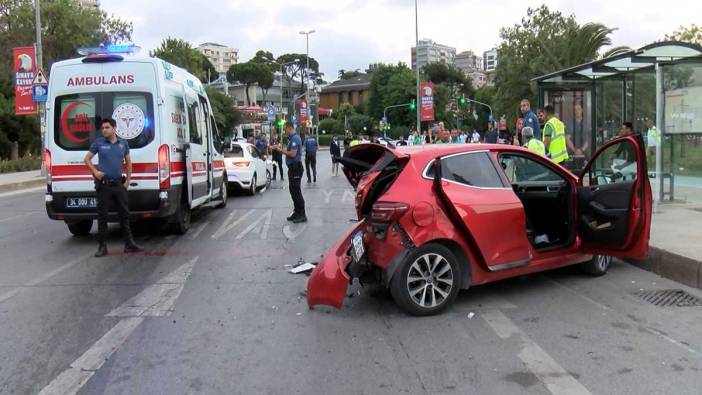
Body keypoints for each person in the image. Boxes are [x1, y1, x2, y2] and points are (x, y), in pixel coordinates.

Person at [84, 118, 143, 257]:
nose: (104, 130)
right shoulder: (99, 143)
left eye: (107, 127)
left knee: (124, 215)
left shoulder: (123, 144)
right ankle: (102, 247)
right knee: (102, 216)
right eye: (103, 128)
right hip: (104, 186)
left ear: (114, 129)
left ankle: (129, 244)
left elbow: (128, 163)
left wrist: (127, 181)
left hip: (118, 185)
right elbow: (87, 159)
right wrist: (95, 172)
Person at [272, 121, 306, 223]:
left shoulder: (295, 138)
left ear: (289, 127)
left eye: (285, 128)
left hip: (296, 168)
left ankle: (302, 214)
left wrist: (280, 150)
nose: (284, 131)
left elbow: (292, 154)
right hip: (292, 168)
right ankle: (296, 212)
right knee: (292, 191)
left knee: (296, 191)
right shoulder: (292, 138)